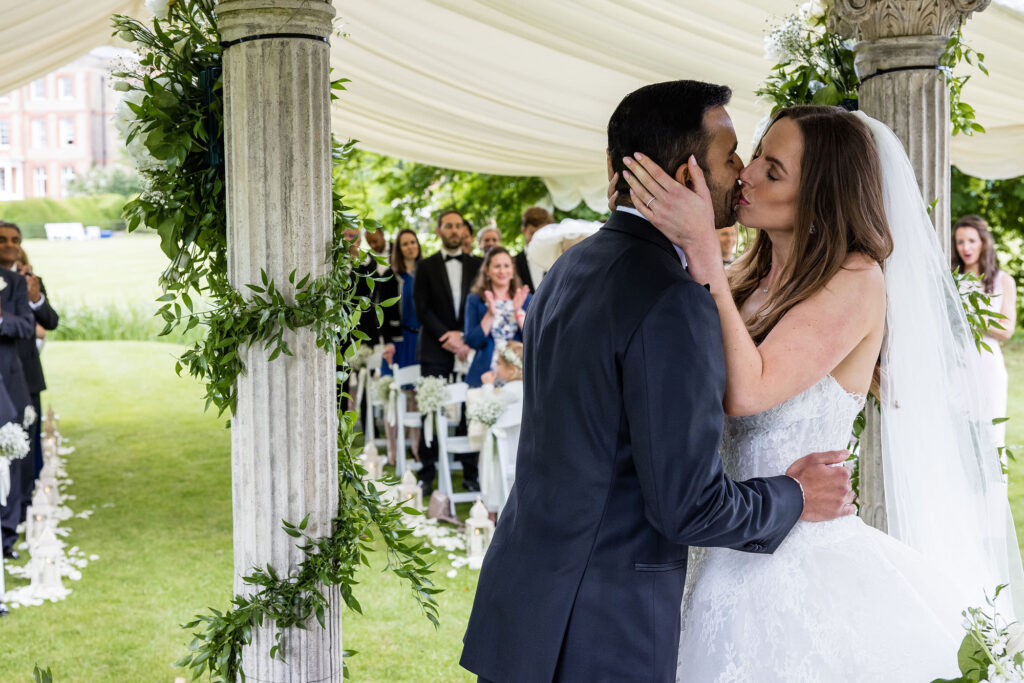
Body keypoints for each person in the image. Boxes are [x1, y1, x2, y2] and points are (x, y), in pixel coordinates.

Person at [461, 81, 853, 682]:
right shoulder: (671, 297)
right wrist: (795, 495)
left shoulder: (571, 267)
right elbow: (688, 507)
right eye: (730, 158)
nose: (742, 171)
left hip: (526, 607)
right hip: (602, 628)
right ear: (684, 175)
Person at [623, 103, 1024, 680]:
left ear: (822, 194)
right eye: (756, 156)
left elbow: (747, 391)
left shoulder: (857, 281)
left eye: (773, 169)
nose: (747, 174)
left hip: (798, 563)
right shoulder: (739, 281)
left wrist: (705, 257)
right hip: (719, 545)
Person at [413, 209, 483, 495]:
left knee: (470, 408)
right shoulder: (426, 266)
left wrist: (464, 337)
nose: (454, 230)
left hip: (469, 347)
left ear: (463, 231)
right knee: (430, 408)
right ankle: (426, 473)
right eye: (448, 226)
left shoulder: (479, 264)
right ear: (439, 230)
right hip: (435, 347)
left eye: (458, 226)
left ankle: (470, 472)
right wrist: (448, 337)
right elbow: (422, 309)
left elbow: (481, 305)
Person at [0, 224, 58, 490]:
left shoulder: (31, 279)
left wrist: (36, 299)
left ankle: (26, 499)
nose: (10, 244)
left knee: (27, 438)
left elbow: (50, 322)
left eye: (15, 240)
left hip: (27, 372)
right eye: (2, 240)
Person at [953, 214, 1016, 447]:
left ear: (983, 242)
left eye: (971, 240)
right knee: (958, 438)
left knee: (990, 438)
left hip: (987, 366)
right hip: (957, 366)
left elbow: (1006, 329)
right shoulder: (952, 281)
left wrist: (969, 317)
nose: (965, 248)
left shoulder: (1002, 280)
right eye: (960, 242)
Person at [378, 228, 422, 464]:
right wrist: (388, 343)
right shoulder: (390, 276)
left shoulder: (425, 274)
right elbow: (382, 313)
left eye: (413, 242)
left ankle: (416, 446)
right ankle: (392, 449)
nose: (409, 247)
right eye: (404, 243)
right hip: (398, 341)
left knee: (416, 396)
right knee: (394, 395)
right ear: (398, 248)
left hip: (419, 341)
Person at [463, 247, 530, 388]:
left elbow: (532, 339)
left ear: (512, 269)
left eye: (506, 265)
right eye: (497, 266)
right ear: (487, 270)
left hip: (516, 373)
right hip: (485, 374)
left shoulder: (525, 298)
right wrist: (490, 314)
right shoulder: (475, 299)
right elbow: (472, 341)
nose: (502, 271)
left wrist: (518, 312)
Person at [514, 206, 553, 291]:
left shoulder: (556, 260)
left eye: (543, 233)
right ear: (523, 230)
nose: (538, 238)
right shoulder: (513, 263)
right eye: (533, 233)